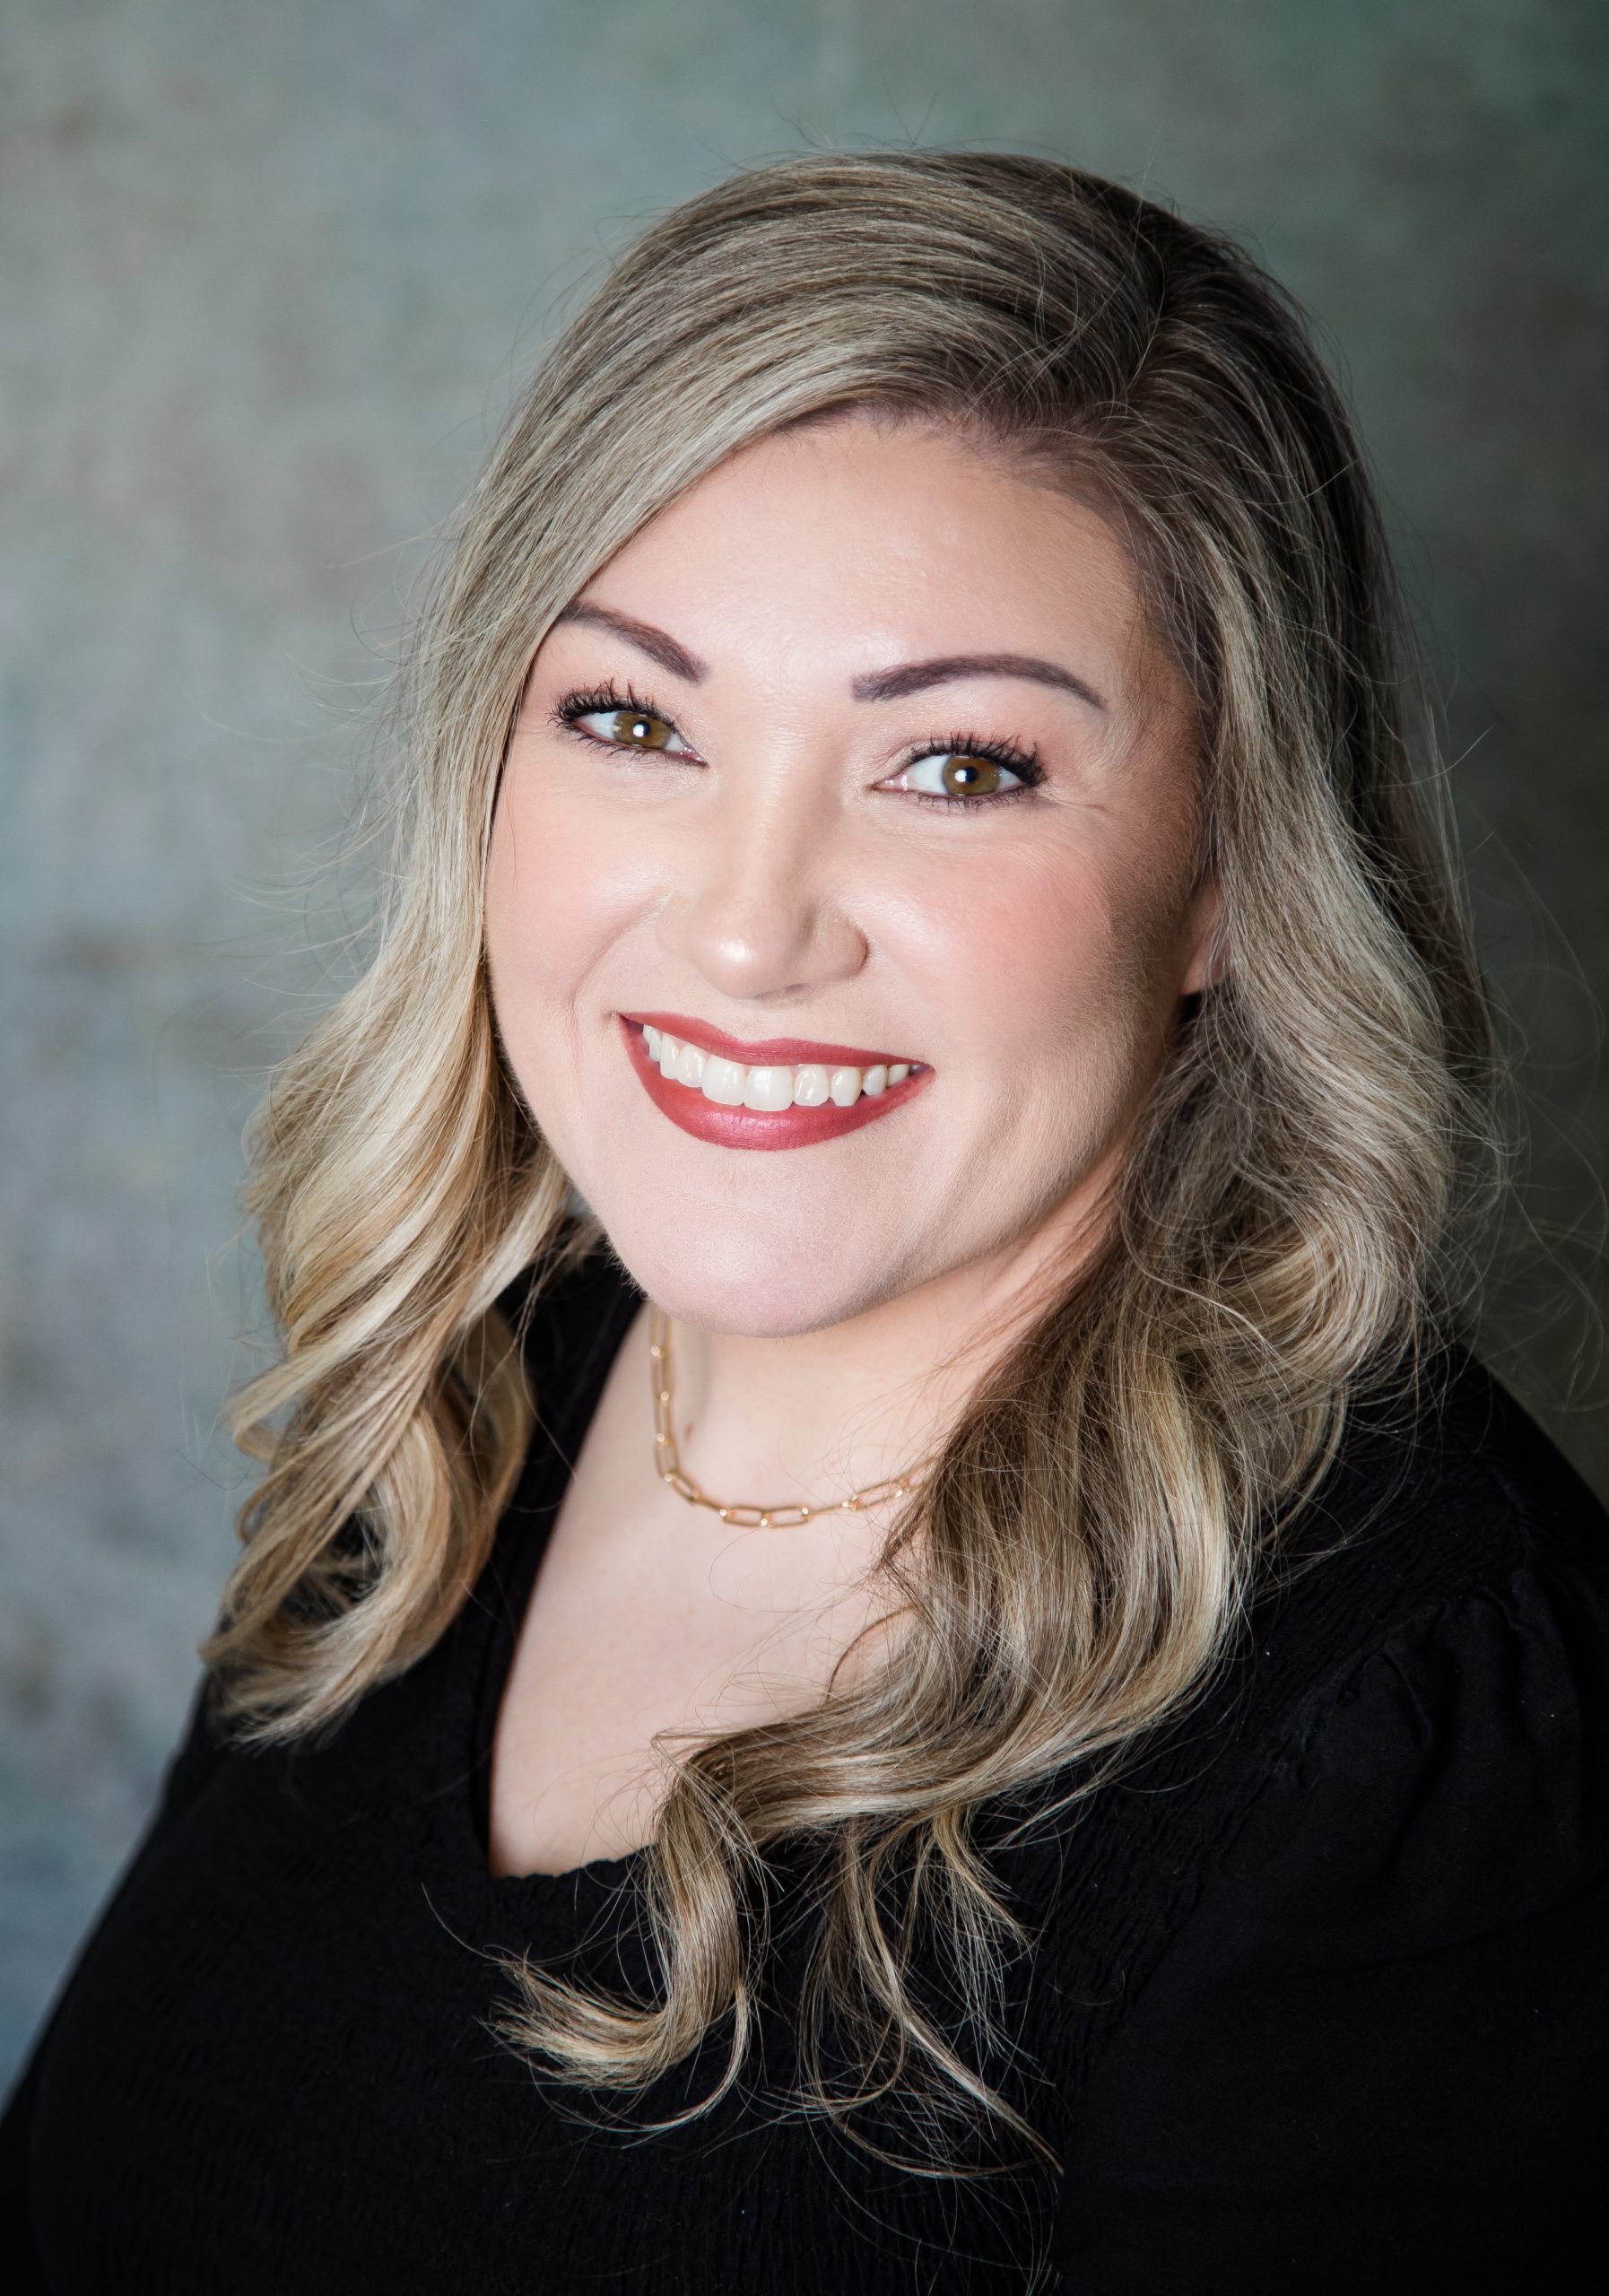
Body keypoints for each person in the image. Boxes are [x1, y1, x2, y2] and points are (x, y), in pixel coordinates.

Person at [4, 149, 1605, 2294]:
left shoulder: (1414, 1758)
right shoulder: (465, 1387)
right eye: (634, 718)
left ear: (1231, 867)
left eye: (958, 768)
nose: (748, 931)